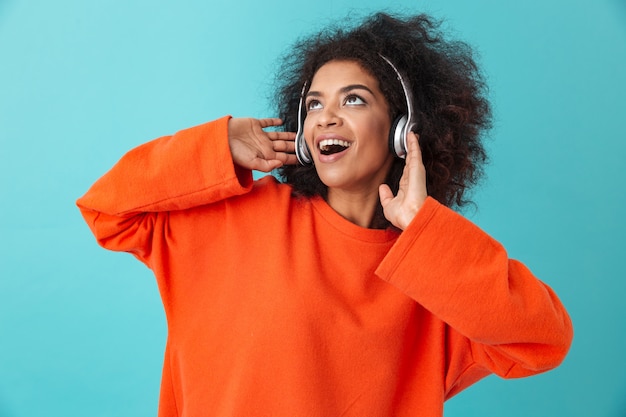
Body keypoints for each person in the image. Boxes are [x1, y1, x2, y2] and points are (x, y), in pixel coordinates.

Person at [77, 12, 573, 417]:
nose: (325, 117)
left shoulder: (436, 268)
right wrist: (217, 147)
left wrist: (424, 228)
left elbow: (542, 338)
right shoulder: (233, 217)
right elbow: (108, 208)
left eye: (353, 99)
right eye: (314, 104)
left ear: (404, 128)